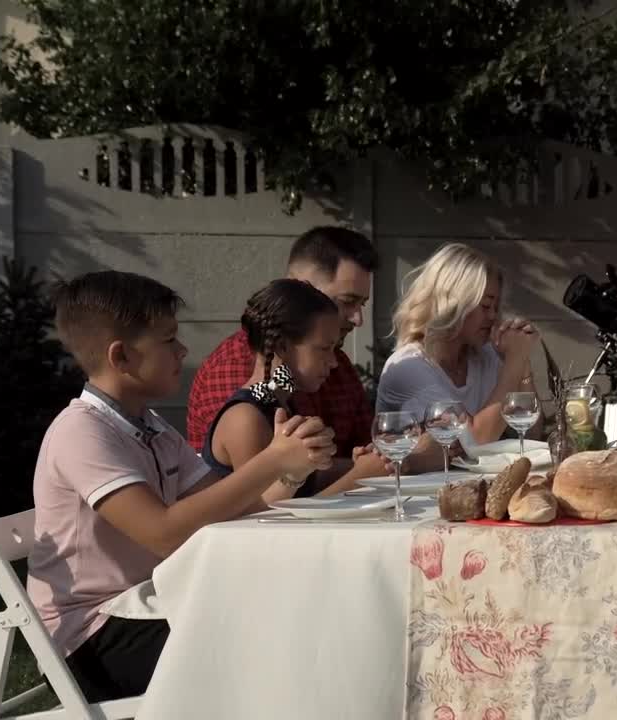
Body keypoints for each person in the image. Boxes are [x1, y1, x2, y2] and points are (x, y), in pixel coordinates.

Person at [28, 271, 335, 702]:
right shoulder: (81, 432)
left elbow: (237, 508)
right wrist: (272, 461)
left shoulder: (148, 426)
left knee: (296, 613)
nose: (183, 350)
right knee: (275, 643)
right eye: (169, 340)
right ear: (122, 358)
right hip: (90, 638)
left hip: (147, 603)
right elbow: (164, 532)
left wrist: (294, 469)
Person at [186, 226, 379, 485]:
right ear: (299, 290)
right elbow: (265, 507)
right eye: (347, 301)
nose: (358, 319)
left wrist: (367, 462)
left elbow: (350, 455)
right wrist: (359, 474)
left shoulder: (286, 386)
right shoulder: (243, 390)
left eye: (362, 304)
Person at [352, 243, 539, 478]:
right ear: (453, 303)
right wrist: (515, 360)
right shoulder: (409, 366)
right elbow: (475, 440)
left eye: (495, 307)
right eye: (485, 305)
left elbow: (531, 435)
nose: (493, 316)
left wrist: (522, 363)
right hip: (411, 498)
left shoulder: (485, 356)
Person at [201, 279, 344, 502]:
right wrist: (361, 475)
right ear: (282, 347)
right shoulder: (247, 418)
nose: (333, 362)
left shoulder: (279, 402)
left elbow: (308, 482)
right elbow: (265, 511)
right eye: (324, 348)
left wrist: (360, 462)